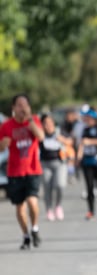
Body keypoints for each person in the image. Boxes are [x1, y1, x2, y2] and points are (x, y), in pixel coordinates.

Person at [0, 94, 45, 250]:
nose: (22, 108)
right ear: (13, 108)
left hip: (32, 169)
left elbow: (41, 136)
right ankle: (26, 235)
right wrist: (3, 144)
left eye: (25, 105)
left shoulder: (34, 121)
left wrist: (30, 121)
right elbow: (0, 147)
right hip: (14, 171)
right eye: (19, 105)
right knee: (19, 208)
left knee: (32, 202)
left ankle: (35, 229)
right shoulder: (6, 126)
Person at [76, 106, 97, 220]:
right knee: (89, 187)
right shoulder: (85, 130)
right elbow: (82, 144)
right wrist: (78, 157)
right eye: (86, 118)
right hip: (87, 161)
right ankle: (91, 210)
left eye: (89, 118)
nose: (87, 120)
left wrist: (90, 141)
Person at [39, 114, 73, 221]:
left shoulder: (59, 132)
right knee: (47, 187)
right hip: (45, 163)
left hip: (60, 162)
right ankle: (49, 209)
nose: (48, 126)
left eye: (50, 123)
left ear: (53, 123)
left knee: (60, 185)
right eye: (45, 123)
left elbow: (70, 141)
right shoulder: (40, 135)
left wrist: (62, 140)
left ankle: (58, 205)